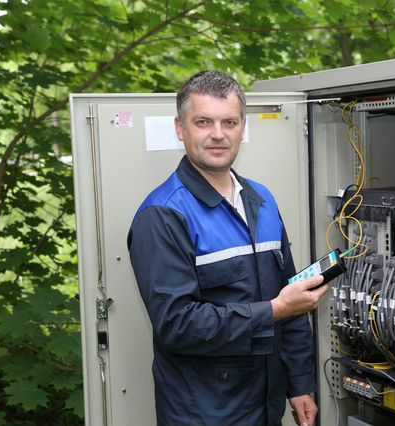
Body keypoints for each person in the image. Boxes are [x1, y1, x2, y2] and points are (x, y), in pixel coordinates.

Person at [127, 71, 330, 426]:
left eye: (229, 122)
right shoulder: (163, 215)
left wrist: (299, 383)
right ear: (180, 128)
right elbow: (177, 325)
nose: (218, 134)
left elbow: (291, 297)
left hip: (265, 406)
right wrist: (273, 311)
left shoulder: (262, 200)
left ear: (242, 128)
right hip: (203, 412)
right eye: (203, 122)